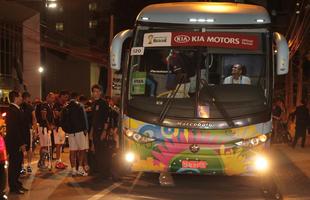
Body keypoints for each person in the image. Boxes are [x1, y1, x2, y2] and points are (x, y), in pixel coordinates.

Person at [5, 91, 28, 194]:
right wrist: (21, 143)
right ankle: (13, 187)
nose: (21, 98)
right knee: (15, 164)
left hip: (18, 142)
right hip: (15, 143)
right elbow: (15, 129)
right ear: (15, 98)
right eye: (19, 96)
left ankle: (16, 183)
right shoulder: (12, 110)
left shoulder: (17, 109)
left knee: (18, 164)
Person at [61, 92, 88, 176]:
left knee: (72, 151)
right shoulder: (80, 106)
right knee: (82, 149)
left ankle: (73, 169)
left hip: (70, 132)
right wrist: (85, 129)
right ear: (77, 97)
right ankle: (80, 167)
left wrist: (66, 130)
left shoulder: (66, 107)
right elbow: (84, 118)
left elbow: (62, 120)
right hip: (80, 131)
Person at [90, 84, 110, 178]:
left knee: (103, 152)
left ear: (101, 92)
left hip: (101, 130)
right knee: (97, 151)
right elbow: (94, 119)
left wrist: (104, 131)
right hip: (95, 130)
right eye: (94, 91)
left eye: (97, 91)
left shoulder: (103, 103)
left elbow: (107, 118)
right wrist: (91, 132)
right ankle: (100, 171)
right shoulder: (94, 103)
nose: (95, 93)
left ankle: (105, 173)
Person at [20, 92, 38, 174]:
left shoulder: (27, 107)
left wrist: (34, 130)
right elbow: (34, 119)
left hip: (24, 129)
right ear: (26, 98)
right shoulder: (26, 107)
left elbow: (34, 119)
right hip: (27, 129)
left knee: (25, 148)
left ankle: (25, 166)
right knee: (28, 148)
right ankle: (27, 166)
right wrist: (34, 130)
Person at [53, 91, 69, 169]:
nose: (66, 99)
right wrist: (64, 108)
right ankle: (57, 162)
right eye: (65, 97)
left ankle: (59, 161)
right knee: (58, 145)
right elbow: (57, 115)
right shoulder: (57, 104)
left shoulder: (62, 105)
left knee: (61, 144)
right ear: (61, 96)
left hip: (62, 127)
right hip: (58, 127)